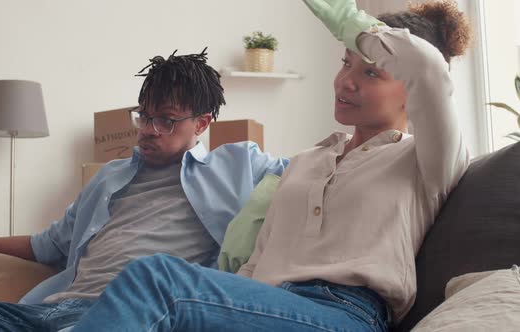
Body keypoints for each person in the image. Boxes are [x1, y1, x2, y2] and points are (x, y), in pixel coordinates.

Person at [70, 0, 472, 331]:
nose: (345, 81)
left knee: (156, 278)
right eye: (345, 63)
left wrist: (349, 21)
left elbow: (429, 69)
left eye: (370, 72)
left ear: (410, 93)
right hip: (265, 304)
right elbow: (254, 265)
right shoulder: (306, 162)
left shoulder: (426, 160)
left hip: (345, 315)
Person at [0, 48, 288, 331]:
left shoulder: (239, 164)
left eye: (165, 120)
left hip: (127, 315)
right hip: (45, 312)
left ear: (202, 123)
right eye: (144, 115)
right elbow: (46, 244)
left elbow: (320, 170)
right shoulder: (109, 177)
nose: (148, 129)